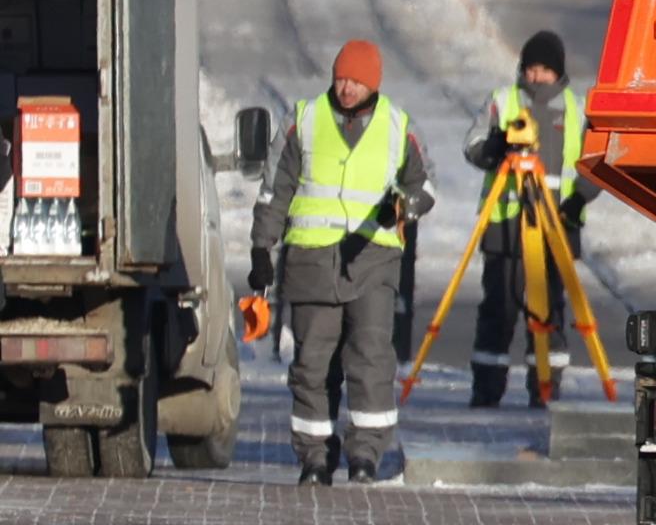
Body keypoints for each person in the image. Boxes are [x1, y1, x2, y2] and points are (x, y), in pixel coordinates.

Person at [248, 39, 434, 483]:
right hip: (311, 262)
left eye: (356, 81)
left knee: (370, 356)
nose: (346, 88)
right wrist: (261, 248)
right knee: (312, 362)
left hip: (373, 261)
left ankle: (365, 455)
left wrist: (401, 208)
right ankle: (314, 455)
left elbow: (425, 189)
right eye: (340, 78)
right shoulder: (304, 120)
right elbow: (275, 190)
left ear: (373, 84)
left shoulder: (398, 126)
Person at [463, 29, 600, 407]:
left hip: (557, 225)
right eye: (531, 69)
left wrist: (576, 202)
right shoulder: (503, 102)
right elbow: (472, 146)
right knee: (498, 310)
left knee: (549, 312)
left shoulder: (576, 109)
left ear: (558, 73)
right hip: (506, 227)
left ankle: (545, 390)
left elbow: (597, 165)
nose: (536, 76)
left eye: (545, 70)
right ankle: (486, 390)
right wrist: (499, 145)